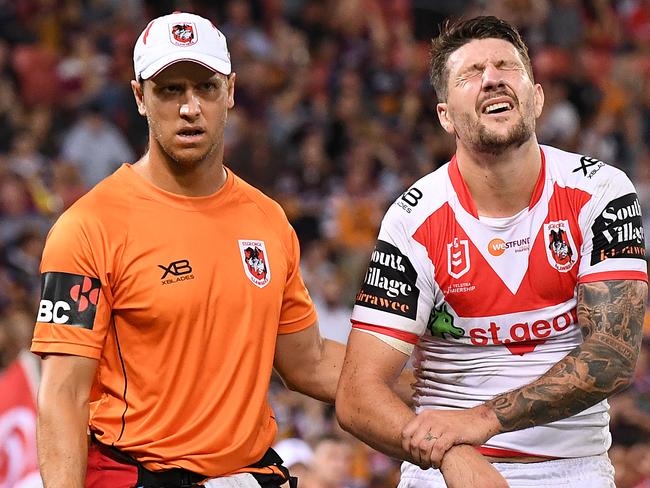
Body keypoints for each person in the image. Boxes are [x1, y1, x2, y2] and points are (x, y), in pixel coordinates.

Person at [30, 11, 349, 488]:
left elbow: (311, 363)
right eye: (170, 90)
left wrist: (424, 377)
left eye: (205, 87)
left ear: (232, 92)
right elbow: (63, 396)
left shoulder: (268, 220)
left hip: (250, 475)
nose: (190, 108)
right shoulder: (87, 228)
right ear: (140, 97)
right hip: (139, 476)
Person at [336, 15, 648, 488]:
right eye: (470, 73)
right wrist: (453, 455)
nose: (491, 78)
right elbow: (357, 395)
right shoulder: (413, 219)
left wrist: (479, 422)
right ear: (444, 115)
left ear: (536, 96)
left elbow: (613, 356)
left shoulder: (600, 191)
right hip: (444, 467)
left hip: (573, 469)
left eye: (506, 66)